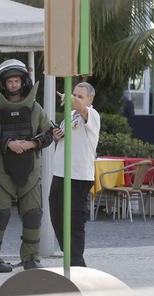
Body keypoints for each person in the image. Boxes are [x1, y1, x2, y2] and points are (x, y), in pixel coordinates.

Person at [0, 59, 54, 273]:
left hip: (30, 172)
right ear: (3, 84)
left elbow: (48, 133)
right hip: (3, 172)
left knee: (33, 214)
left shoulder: (36, 109)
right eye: (9, 81)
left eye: (16, 81)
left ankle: (31, 257)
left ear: (23, 82)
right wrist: (9, 144)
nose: (13, 85)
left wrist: (31, 143)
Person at [49, 82, 100, 267]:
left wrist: (68, 98)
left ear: (89, 99)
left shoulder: (92, 115)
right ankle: (69, 255)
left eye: (80, 96)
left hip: (78, 177)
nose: (76, 99)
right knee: (56, 215)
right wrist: (57, 135)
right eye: (74, 95)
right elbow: (62, 138)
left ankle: (77, 263)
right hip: (60, 173)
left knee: (74, 221)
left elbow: (81, 108)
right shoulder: (69, 117)